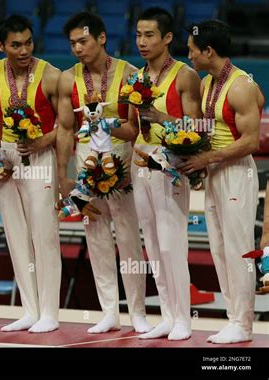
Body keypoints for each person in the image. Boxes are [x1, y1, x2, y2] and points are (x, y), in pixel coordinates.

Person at [57, 11, 152, 334]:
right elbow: (64, 132)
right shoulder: (67, 79)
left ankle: (137, 311)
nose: (78, 49)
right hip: (86, 171)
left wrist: (123, 156)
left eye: (83, 41)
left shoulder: (129, 74)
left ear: (101, 38)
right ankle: (110, 311)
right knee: (96, 240)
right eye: (72, 44)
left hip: (122, 166)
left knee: (128, 241)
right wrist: (63, 178)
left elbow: (139, 128)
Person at [181, 20, 265, 343]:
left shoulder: (240, 85)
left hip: (236, 172)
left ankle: (244, 324)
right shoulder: (206, 84)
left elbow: (251, 141)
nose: (189, 55)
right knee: (218, 248)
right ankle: (233, 318)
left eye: (192, 50)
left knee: (238, 249)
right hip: (215, 171)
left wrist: (207, 159)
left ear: (209, 51)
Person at [0, 15, 62, 333]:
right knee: (15, 235)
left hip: (40, 155)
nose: (24, 49)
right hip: (8, 155)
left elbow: (66, 126)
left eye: (28, 42)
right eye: (16, 44)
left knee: (44, 236)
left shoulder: (51, 75)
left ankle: (50, 313)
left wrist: (44, 140)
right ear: (1, 46)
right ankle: (30, 309)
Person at [129, 8, 203, 341]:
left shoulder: (185, 76)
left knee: (173, 243)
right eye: (138, 35)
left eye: (149, 36)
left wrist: (160, 115)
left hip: (169, 163)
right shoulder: (137, 77)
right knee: (153, 245)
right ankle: (167, 315)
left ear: (168, 38)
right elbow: (135, 127)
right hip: (140, 160)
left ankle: (184, 319)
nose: (142, 42)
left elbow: (195, 128)